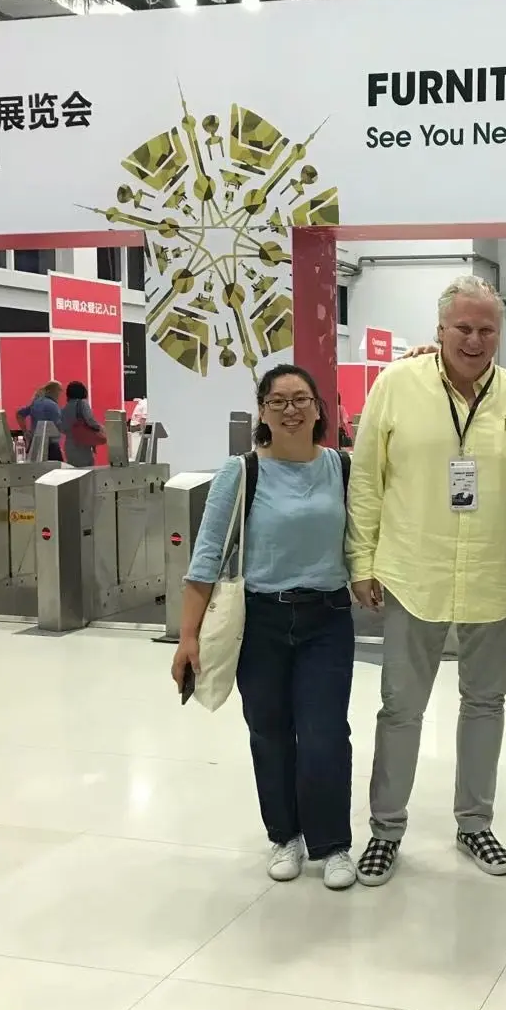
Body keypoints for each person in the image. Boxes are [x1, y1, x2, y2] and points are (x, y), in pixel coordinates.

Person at [346, 275, 506, 886]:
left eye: (486, 329)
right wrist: (361, 561)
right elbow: (366, 478)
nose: (474, 339)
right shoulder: (395, 386)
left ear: (500, 332)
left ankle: (475, 823)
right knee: (401, 707)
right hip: (412, 571)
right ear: (439, 329)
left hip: (495, 574)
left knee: (486, 703)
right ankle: (386, 830)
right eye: (462, 328)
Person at [172, 364, 358, 889]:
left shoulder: (342, 467)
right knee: (270, 733)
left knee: (324, 733)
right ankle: (285, 835)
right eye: (278, 401)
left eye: (301, 399)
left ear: (319, 408)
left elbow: (366, 537)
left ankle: (332, 844)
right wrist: (187, 637)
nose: (290, 410)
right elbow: (206, 557)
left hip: (327, 618)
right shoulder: (242, 471)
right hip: (261, 620)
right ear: (262, 412)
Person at [60, 381, 105, 467]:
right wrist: (100, 428)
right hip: (82, 445)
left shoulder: (65, 408)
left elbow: (63, 428)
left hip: (69, 444)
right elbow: (90, 421)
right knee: (87, 469)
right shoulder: (82, 403)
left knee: (74, 469)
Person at [17, 381, 63, 461]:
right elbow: (59, 425)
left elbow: (19, 414)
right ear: (55, 391)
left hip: (35, 444)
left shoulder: (36, 402)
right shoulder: (53, 405)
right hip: (50, 446)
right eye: (60, 391)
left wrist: (25, 432)